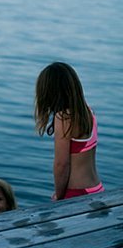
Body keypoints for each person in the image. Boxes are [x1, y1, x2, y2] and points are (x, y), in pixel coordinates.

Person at [34, 61, 104, 201]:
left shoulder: (63, 118)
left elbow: (61, 164)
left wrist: (59, 196)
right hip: (97, 188)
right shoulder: (88, 112)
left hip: (77, 193)